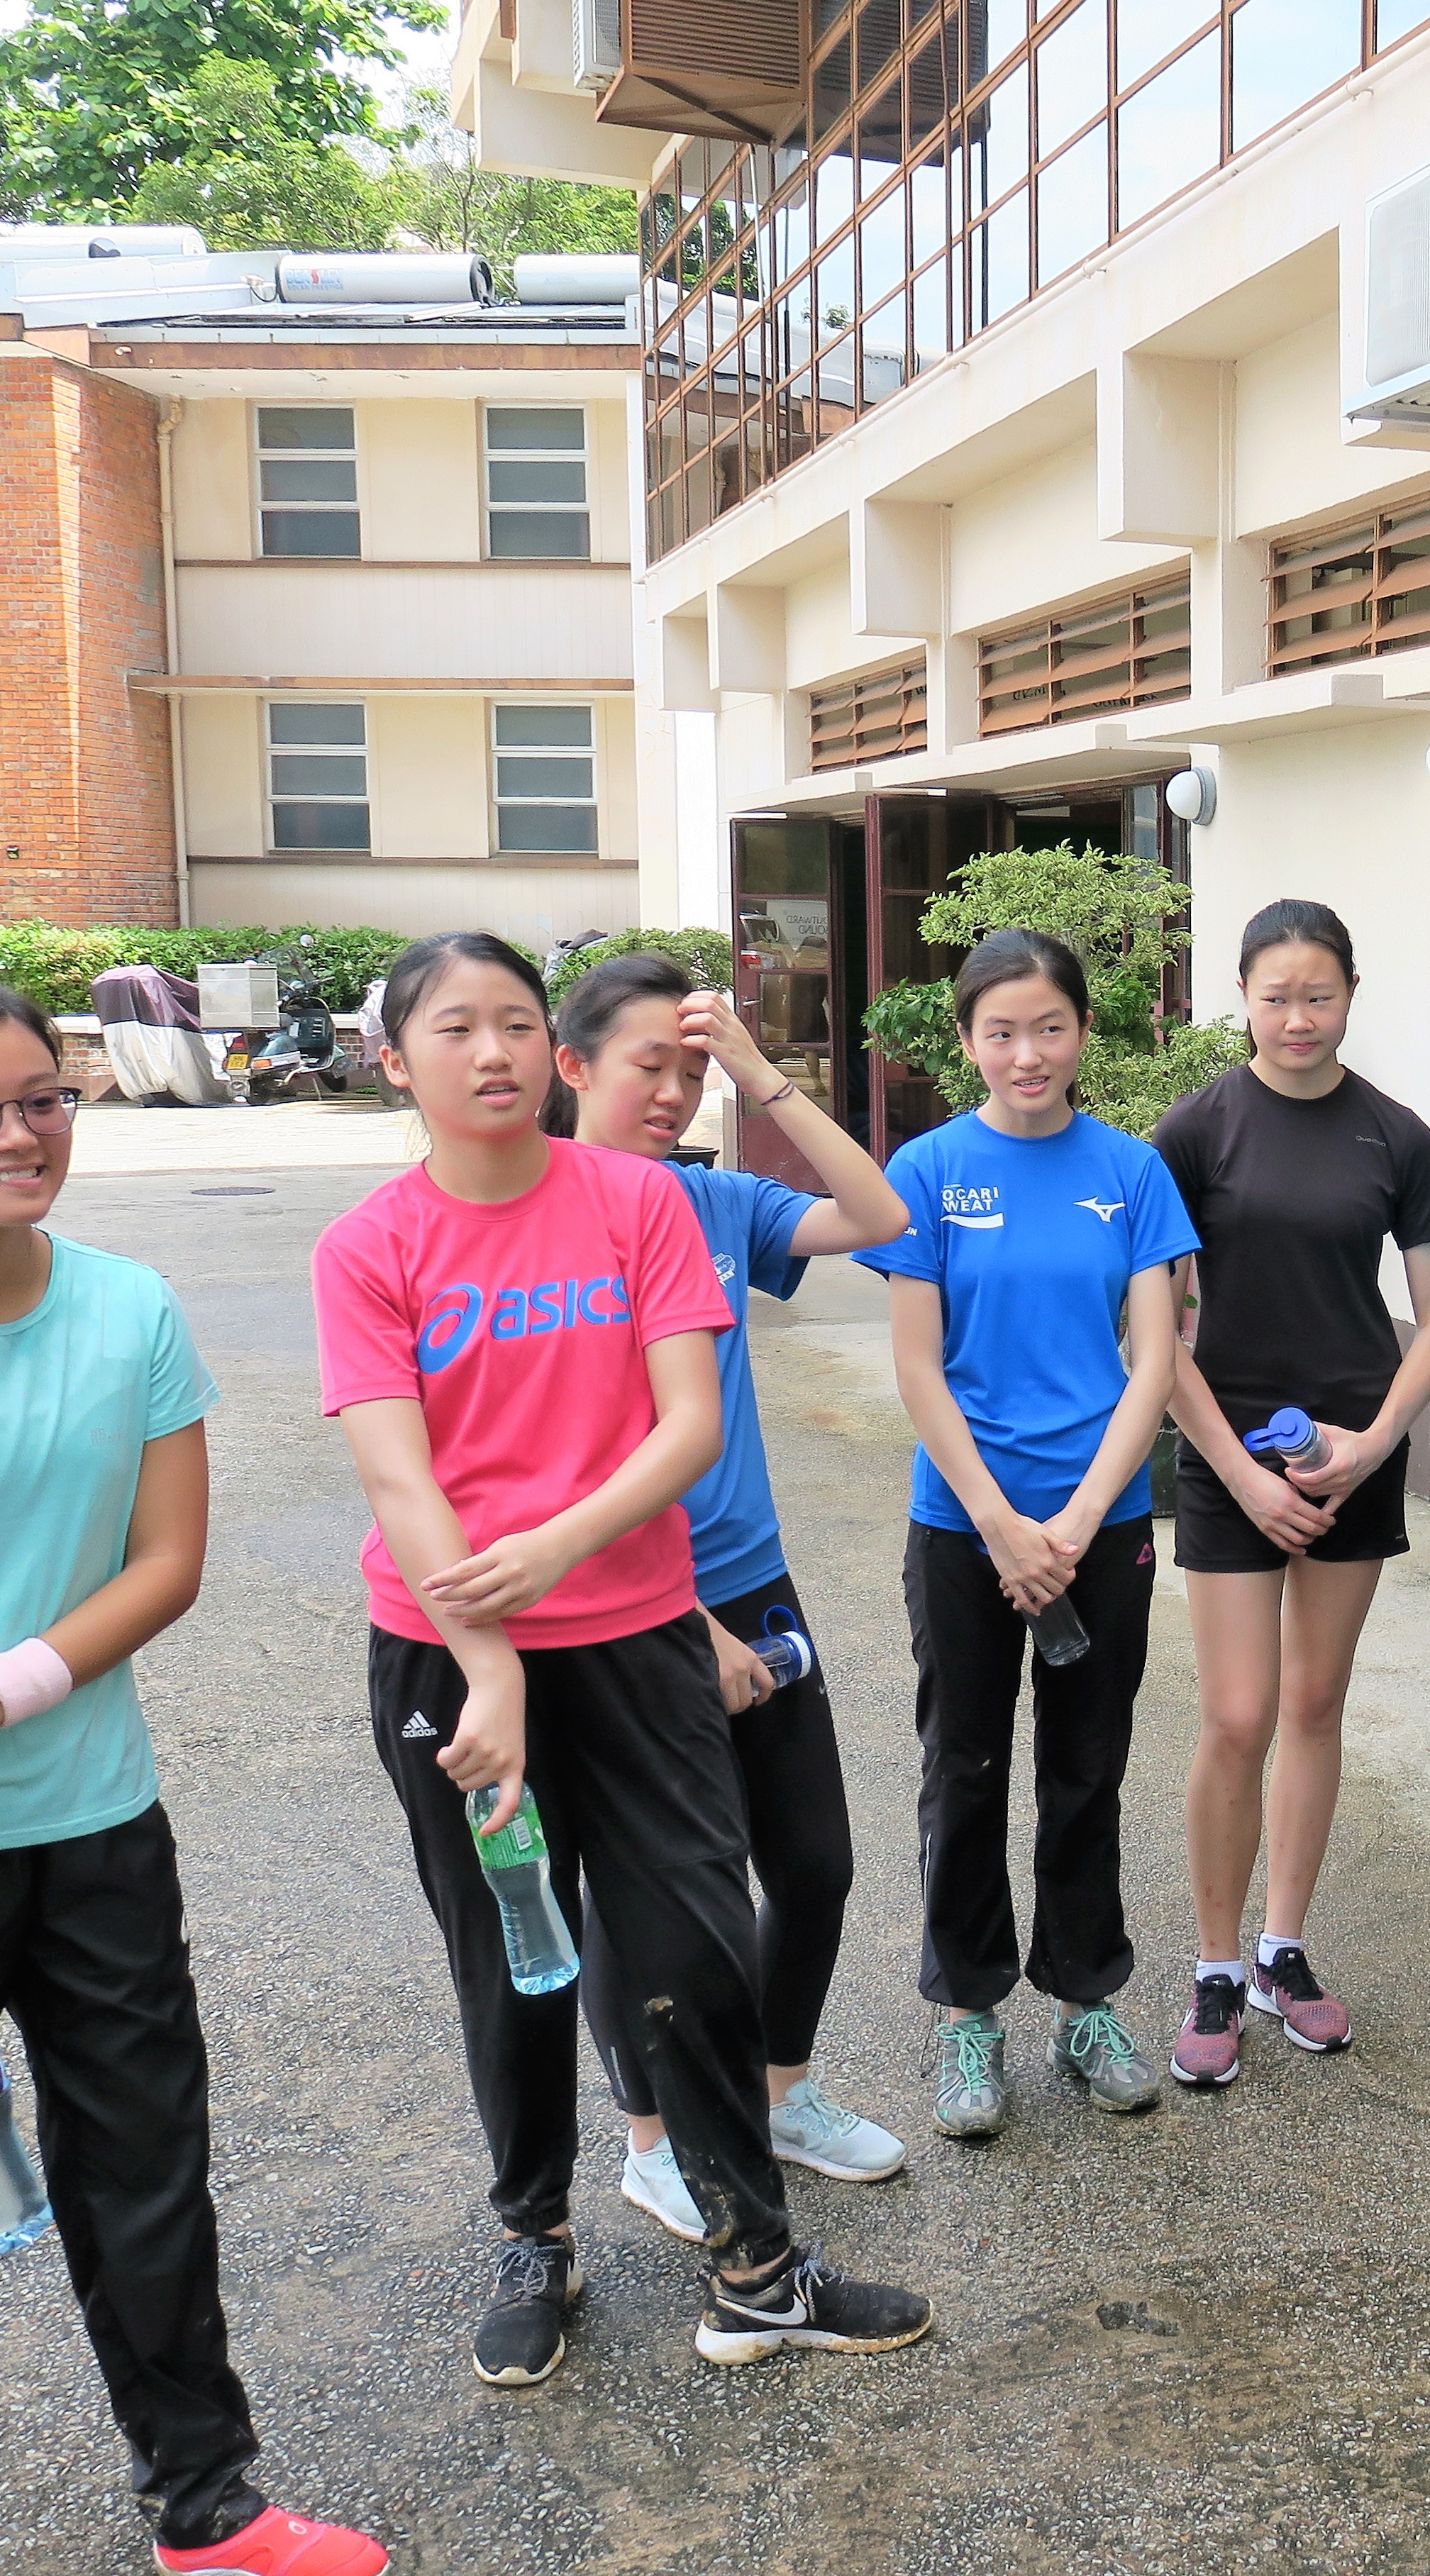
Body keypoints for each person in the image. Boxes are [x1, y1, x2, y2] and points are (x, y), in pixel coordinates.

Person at [0, 976, 383, 2576]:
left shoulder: (126, 1307)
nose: (18, 1132)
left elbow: (165, 1562)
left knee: (145, 2167)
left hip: (91, 1813)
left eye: (43, 1097)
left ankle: (207, 2504)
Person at [321, 932, 929, 2387]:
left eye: (515, 1022)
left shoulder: (640, 1202)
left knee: (695, 1947)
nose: (492, 1051)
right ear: (394, 1061)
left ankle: (758, 2268)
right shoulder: (369, 1246)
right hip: (449, 1657)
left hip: (639, 1634)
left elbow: (689, 1425)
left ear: (551, 1050)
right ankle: (535, 2236)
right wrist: (490, 1659)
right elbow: (400, 1479)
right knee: (513, 1956)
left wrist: (555, 1551)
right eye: (455, 1027)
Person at [544, 955, 915, 2236]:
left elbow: (878, 1217)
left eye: (690, 1069)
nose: (671, 1091)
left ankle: (776, 2091)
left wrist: (764, 1077)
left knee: (813, 1864)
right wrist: (684, 1622)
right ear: (572, 1064)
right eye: (647, 1064)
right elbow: (563, 1457)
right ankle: (651, 2140)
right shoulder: (546, 1222)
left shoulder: (713, 1201)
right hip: (618, 1602)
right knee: (643, 1893)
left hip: (753, 1575)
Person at [855, 931, 1197, 2137]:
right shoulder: (928, 1171)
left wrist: (1080, 1517)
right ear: (966, 1042)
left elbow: (1154, 1360)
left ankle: (1085, 2000)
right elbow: (918, 1366)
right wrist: (1002, 1524)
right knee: (963, 1768)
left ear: (1084, 1033)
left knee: (1087, 1768)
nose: (1027, 1053)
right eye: (1000, 1031)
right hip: (965, 1525)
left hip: (1101, 1522)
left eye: (1050, 1026)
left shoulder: (1133, 1172)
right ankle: (968, 2013)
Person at [1156, 901, 1430, 2082]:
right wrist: (1238, 1472)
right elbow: (1155, 1333)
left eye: (1318, 995)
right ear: (1242, 995)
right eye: (1276, 996)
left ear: (1350, 995)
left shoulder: (1396, 1136)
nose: (1297, 1017)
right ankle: (1215, 1965)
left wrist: (1373, 1446)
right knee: (1238, 1716)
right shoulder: (1194, 1132)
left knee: (1316, 1706)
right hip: (1228, 1460)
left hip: (1349, 1454)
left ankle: (1282, 1950)